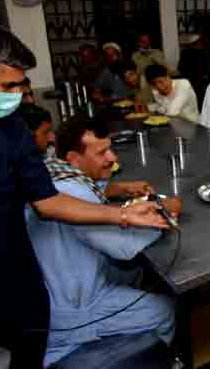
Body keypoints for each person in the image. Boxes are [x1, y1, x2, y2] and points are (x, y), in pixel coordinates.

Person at [0, 19, 166, 367]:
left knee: (26, 352)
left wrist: (121, 213)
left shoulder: (11, 130)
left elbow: (48, 201)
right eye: (8, 85)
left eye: (22, 86)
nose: (18, 96)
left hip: (21, 283)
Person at [25, 115, 179, 367]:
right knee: (163, 310)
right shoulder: (76, 191)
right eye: (102, 153)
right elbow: (123, 247)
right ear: (74, 158)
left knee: (136, 276)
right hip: (73, 310)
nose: (113, 158)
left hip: (50, 291)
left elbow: (85, 187)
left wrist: (118, 189)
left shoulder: (51, 171)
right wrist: (164, 211)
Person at [178, 33, 210, 105]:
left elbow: (181, 69)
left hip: (195, 83)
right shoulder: (205, 53)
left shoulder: (185, 53)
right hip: (199, 83)